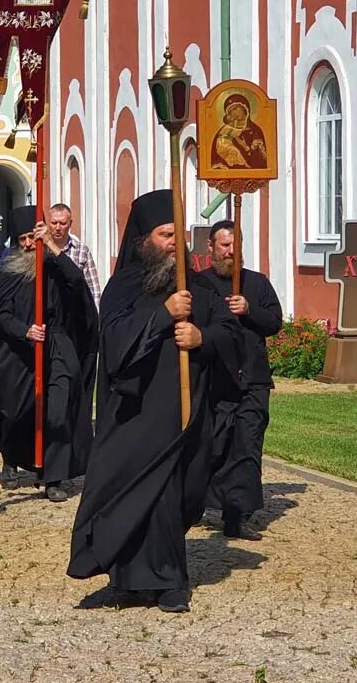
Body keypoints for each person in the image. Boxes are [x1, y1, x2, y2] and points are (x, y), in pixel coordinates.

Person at [67, 190, 242, 614]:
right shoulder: (124, 285)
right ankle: (159, 582)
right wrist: (163, 314)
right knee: (146, 495)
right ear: (144, 239)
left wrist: (202, 338)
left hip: (183, 412)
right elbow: (113, 340)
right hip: (136, 412)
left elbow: (232, 335)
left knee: (180, 493)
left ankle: (156, 578)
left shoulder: (197, 285)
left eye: (178, 234)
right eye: (165, 234)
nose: (173, 242)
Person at [0, 206, 98, 501]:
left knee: (58, 408)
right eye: (23, 239)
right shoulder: (10, 269)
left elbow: (76, 283)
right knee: (14, 409)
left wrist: (54, 249)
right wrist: (25, 330)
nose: (30, 244)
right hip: (18, 349)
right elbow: (2, 313)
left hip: (56, 344)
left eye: (33, 237)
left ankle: (53, 476)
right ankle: (10, 457)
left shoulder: (55, 264)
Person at [198, 221, 284, 539]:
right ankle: (200, 503)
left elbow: (274, 322)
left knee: (248, 446)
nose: (231, 252)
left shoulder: (257, 284)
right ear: (210, 248)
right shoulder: (201, 284)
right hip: (215, 380)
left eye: (236, 245)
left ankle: (238, 514)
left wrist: (249, 310)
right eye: (224, 245)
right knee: (214, 445)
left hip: (253, 380)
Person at [46, 203, 102, 306]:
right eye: (54, 223)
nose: (58, 228)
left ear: (70, 223)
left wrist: (95, 315)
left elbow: (93, 288)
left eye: (62, 223)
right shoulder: (42, 249)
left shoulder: (82, 250)